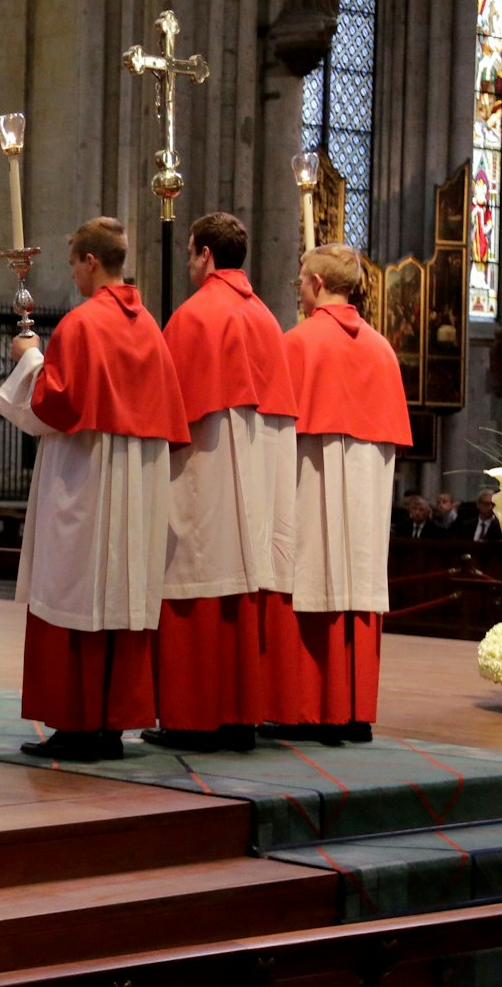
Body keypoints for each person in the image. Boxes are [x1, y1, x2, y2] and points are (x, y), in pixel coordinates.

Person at [0, 218, 191, 762]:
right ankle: (110, 725)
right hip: (138, 483)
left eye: (73, 263)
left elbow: (55, 405)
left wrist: (28, 357)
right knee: (120, 597)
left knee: (73, 592)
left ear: (90, 262)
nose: (73, 273)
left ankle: (77, 727)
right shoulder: (149, 326)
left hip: (86, 478)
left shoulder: (82, 325)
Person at [143, 213, 298, 754]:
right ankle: (239, 717)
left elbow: (164, 411)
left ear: (206, 254)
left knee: (194, 575)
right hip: (255, 474)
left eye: (191, 252)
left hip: (203, 466)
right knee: (241, 581)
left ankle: (192, 718)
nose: (188, 261)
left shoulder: (194, 317)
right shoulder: (266, 319)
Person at [265, 244, 413, 743]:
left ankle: (310, 708)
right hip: (369, 477)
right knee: (360, 575)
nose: (300, 290)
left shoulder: (300, 342)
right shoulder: (382, 348)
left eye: (301, 281)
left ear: (317, 285)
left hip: (311, 469)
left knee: (310, 570)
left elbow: (273, 429)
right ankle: (354, 711)